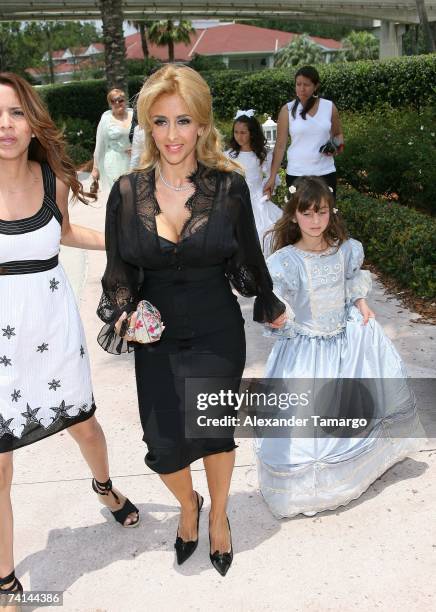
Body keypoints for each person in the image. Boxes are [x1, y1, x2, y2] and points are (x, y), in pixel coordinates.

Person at [96, 64, 286, 576]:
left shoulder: (228, 187)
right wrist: (122, 310)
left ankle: (219, 516)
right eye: (160, 122)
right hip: (156, 337)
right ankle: (189, 505)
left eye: (184, 121)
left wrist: (267, 299)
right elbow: (119, 270)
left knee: (214, 433)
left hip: (215, 331)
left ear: (202, 125)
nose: (172, 134)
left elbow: (246, 259)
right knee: (163, 447)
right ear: (147, 126)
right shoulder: (126, 192)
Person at [0, 73, 139, 600]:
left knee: (83, 425)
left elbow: (59, 233)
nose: (5, 125)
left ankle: (104, 487)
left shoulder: (51, 177)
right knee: (0, 465)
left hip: (52, 329)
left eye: (15, 112)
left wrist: (123, 244)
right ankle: (6, 581)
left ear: (32, 120)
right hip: (0, 340)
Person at [255, 176, 421, 518]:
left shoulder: (345, 249)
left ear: (331, 213)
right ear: (294, 215)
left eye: (322, 212)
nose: (316, 221)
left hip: (345, 344)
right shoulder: (287, 260)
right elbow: (277, 297)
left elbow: (350, 280)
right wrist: (277, 315)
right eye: (308, 213)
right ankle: (307, 488)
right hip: (307, 349)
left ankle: (352, 469)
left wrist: (361, 303)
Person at [263, 66, 344, 198]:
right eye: (298, 84)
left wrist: (336, 146)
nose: (301, 88)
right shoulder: (287, 110)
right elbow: (280, 146)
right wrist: (272, 177)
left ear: (316, 86)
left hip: (325, 172)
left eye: (306, 84)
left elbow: (338, 135)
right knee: (299, 217)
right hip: (297, 173)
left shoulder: (329, 107)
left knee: (325, 216)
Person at [225, 110, 282, 256]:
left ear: (252, 133)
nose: (239, 136)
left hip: (257, 200)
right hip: (235, 200)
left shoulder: (261, 155)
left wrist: (268, 189)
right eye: (236, 132)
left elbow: (271, 176)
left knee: (262, 233)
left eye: (243, 132)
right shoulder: (229, 155)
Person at [91, 88, 133, 191]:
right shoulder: (106, 119)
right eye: (113, 101)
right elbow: (99, 145)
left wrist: (138, 149)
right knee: (119, 195)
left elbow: (143, 136)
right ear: (110, 104)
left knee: (134, 195)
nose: (118, 103)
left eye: (121, 100)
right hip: (114, 162)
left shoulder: (133, 114)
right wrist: (95, 168)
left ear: (125, 101)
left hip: (133, 161)